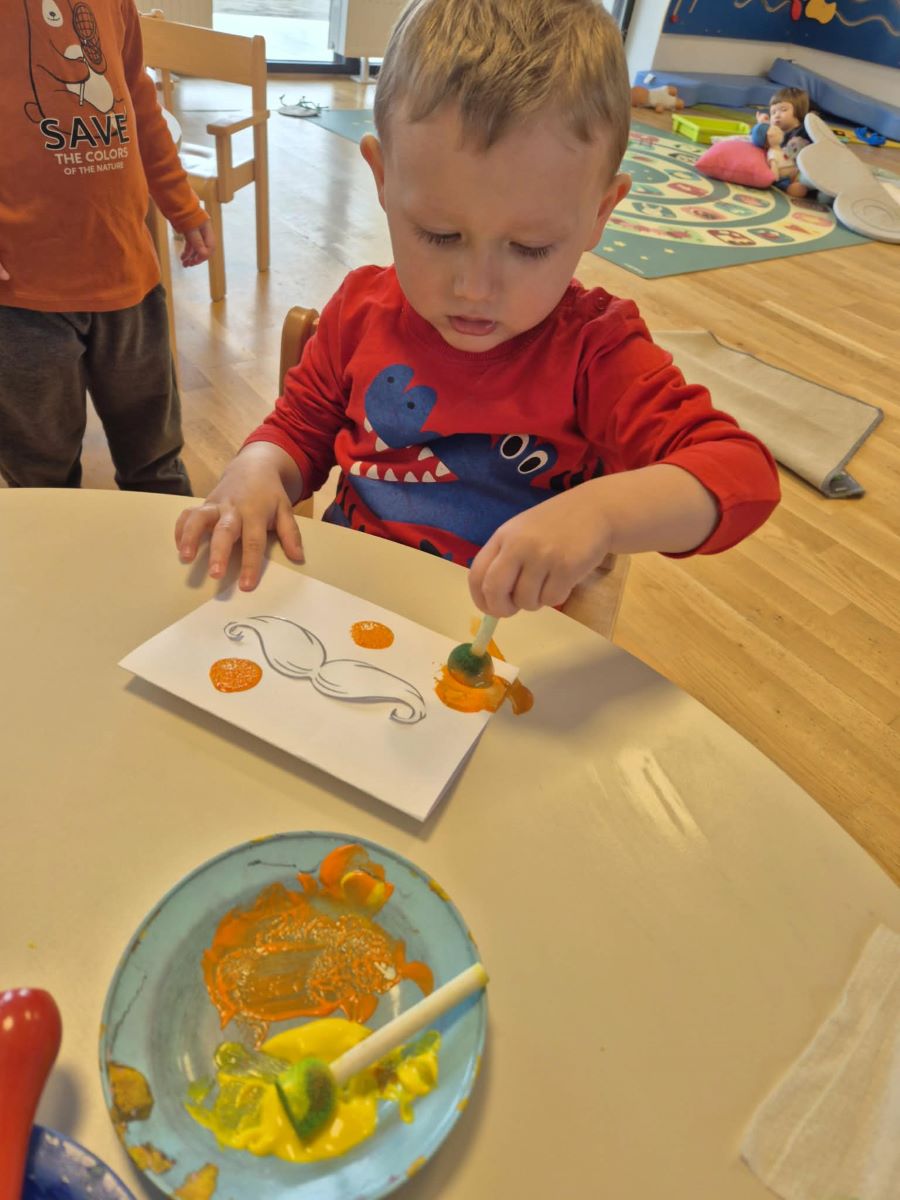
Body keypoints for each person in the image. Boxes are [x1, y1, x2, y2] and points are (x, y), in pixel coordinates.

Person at [176, 0, 780, 617]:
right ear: (382, 178)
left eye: (529, 247)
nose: (474, 287)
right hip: (346, 605)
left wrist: (600, 516)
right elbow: (297, 432)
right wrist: (257, 467)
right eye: (439, 235)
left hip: (499, 639)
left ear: (601, 212)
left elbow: (742, 474)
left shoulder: (596, 354)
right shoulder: (361, 313)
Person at [0, 0, 215, 494]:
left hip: (128, 276)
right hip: (23, 297)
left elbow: (139, 101)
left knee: (156, 463)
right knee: (42, 480)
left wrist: (182, 204)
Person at [750, 87, 812, 197]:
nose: (777, 115)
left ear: (798, 111)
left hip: (799, 170)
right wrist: (762, 125)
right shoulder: (774, 132)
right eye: (773, 112)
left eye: (783, 110)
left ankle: (799, 186)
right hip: (780, 171)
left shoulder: (804, 130)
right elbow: (755, 138)